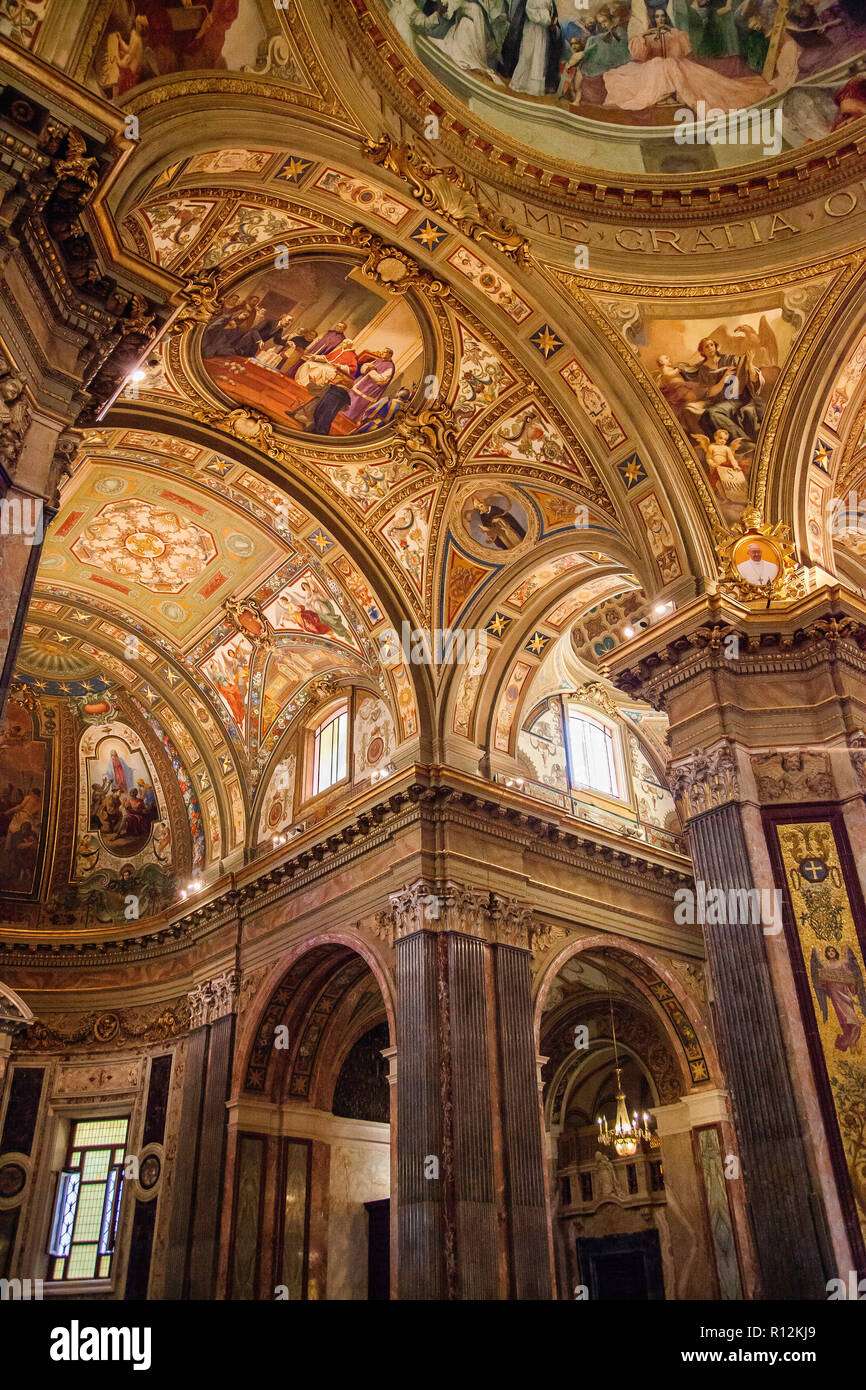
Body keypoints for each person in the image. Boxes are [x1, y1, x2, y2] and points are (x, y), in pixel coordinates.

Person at [510, 0, 561, 96]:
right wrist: (546, 20)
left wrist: (552, 21)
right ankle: (520, 84)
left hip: (542, 32)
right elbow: (530, 12)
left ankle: (533, 88)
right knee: (527, 55)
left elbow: (552, 14)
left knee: (539, 57)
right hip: (532, 30)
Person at [345, 348, 397, 421]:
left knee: (355, 407)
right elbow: (363, 369)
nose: (381, 352)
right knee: (348, 400)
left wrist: (372, 370)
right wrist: (367, 367)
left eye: (384, 352)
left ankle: (347, 420)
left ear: (390, 355)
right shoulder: (378, 360)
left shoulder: (390, 366)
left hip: (370, 390)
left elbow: (382, 380)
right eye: (382, 351)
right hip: (361, 383)